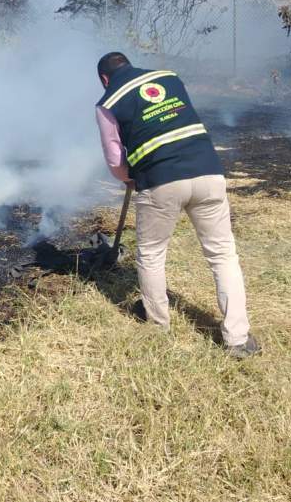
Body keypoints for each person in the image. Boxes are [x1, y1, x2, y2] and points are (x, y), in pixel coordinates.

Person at [95, 51, 260, 358]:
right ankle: (238, 338)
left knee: (152, 254)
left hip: (160, 180)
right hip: (208, 170)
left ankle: (158, 327)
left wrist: (127, 178)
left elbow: (115, 157)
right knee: (223, 254)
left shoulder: (107, 102)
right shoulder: (168, 77)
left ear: (105, 79)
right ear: (129, 65)